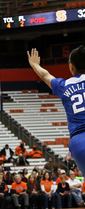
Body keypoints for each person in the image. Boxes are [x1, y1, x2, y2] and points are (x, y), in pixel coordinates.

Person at [28, 46, 85, 176]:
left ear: (71, 67)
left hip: (79, 142)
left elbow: (45, 75)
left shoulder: (64, 85)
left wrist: (35, 65)